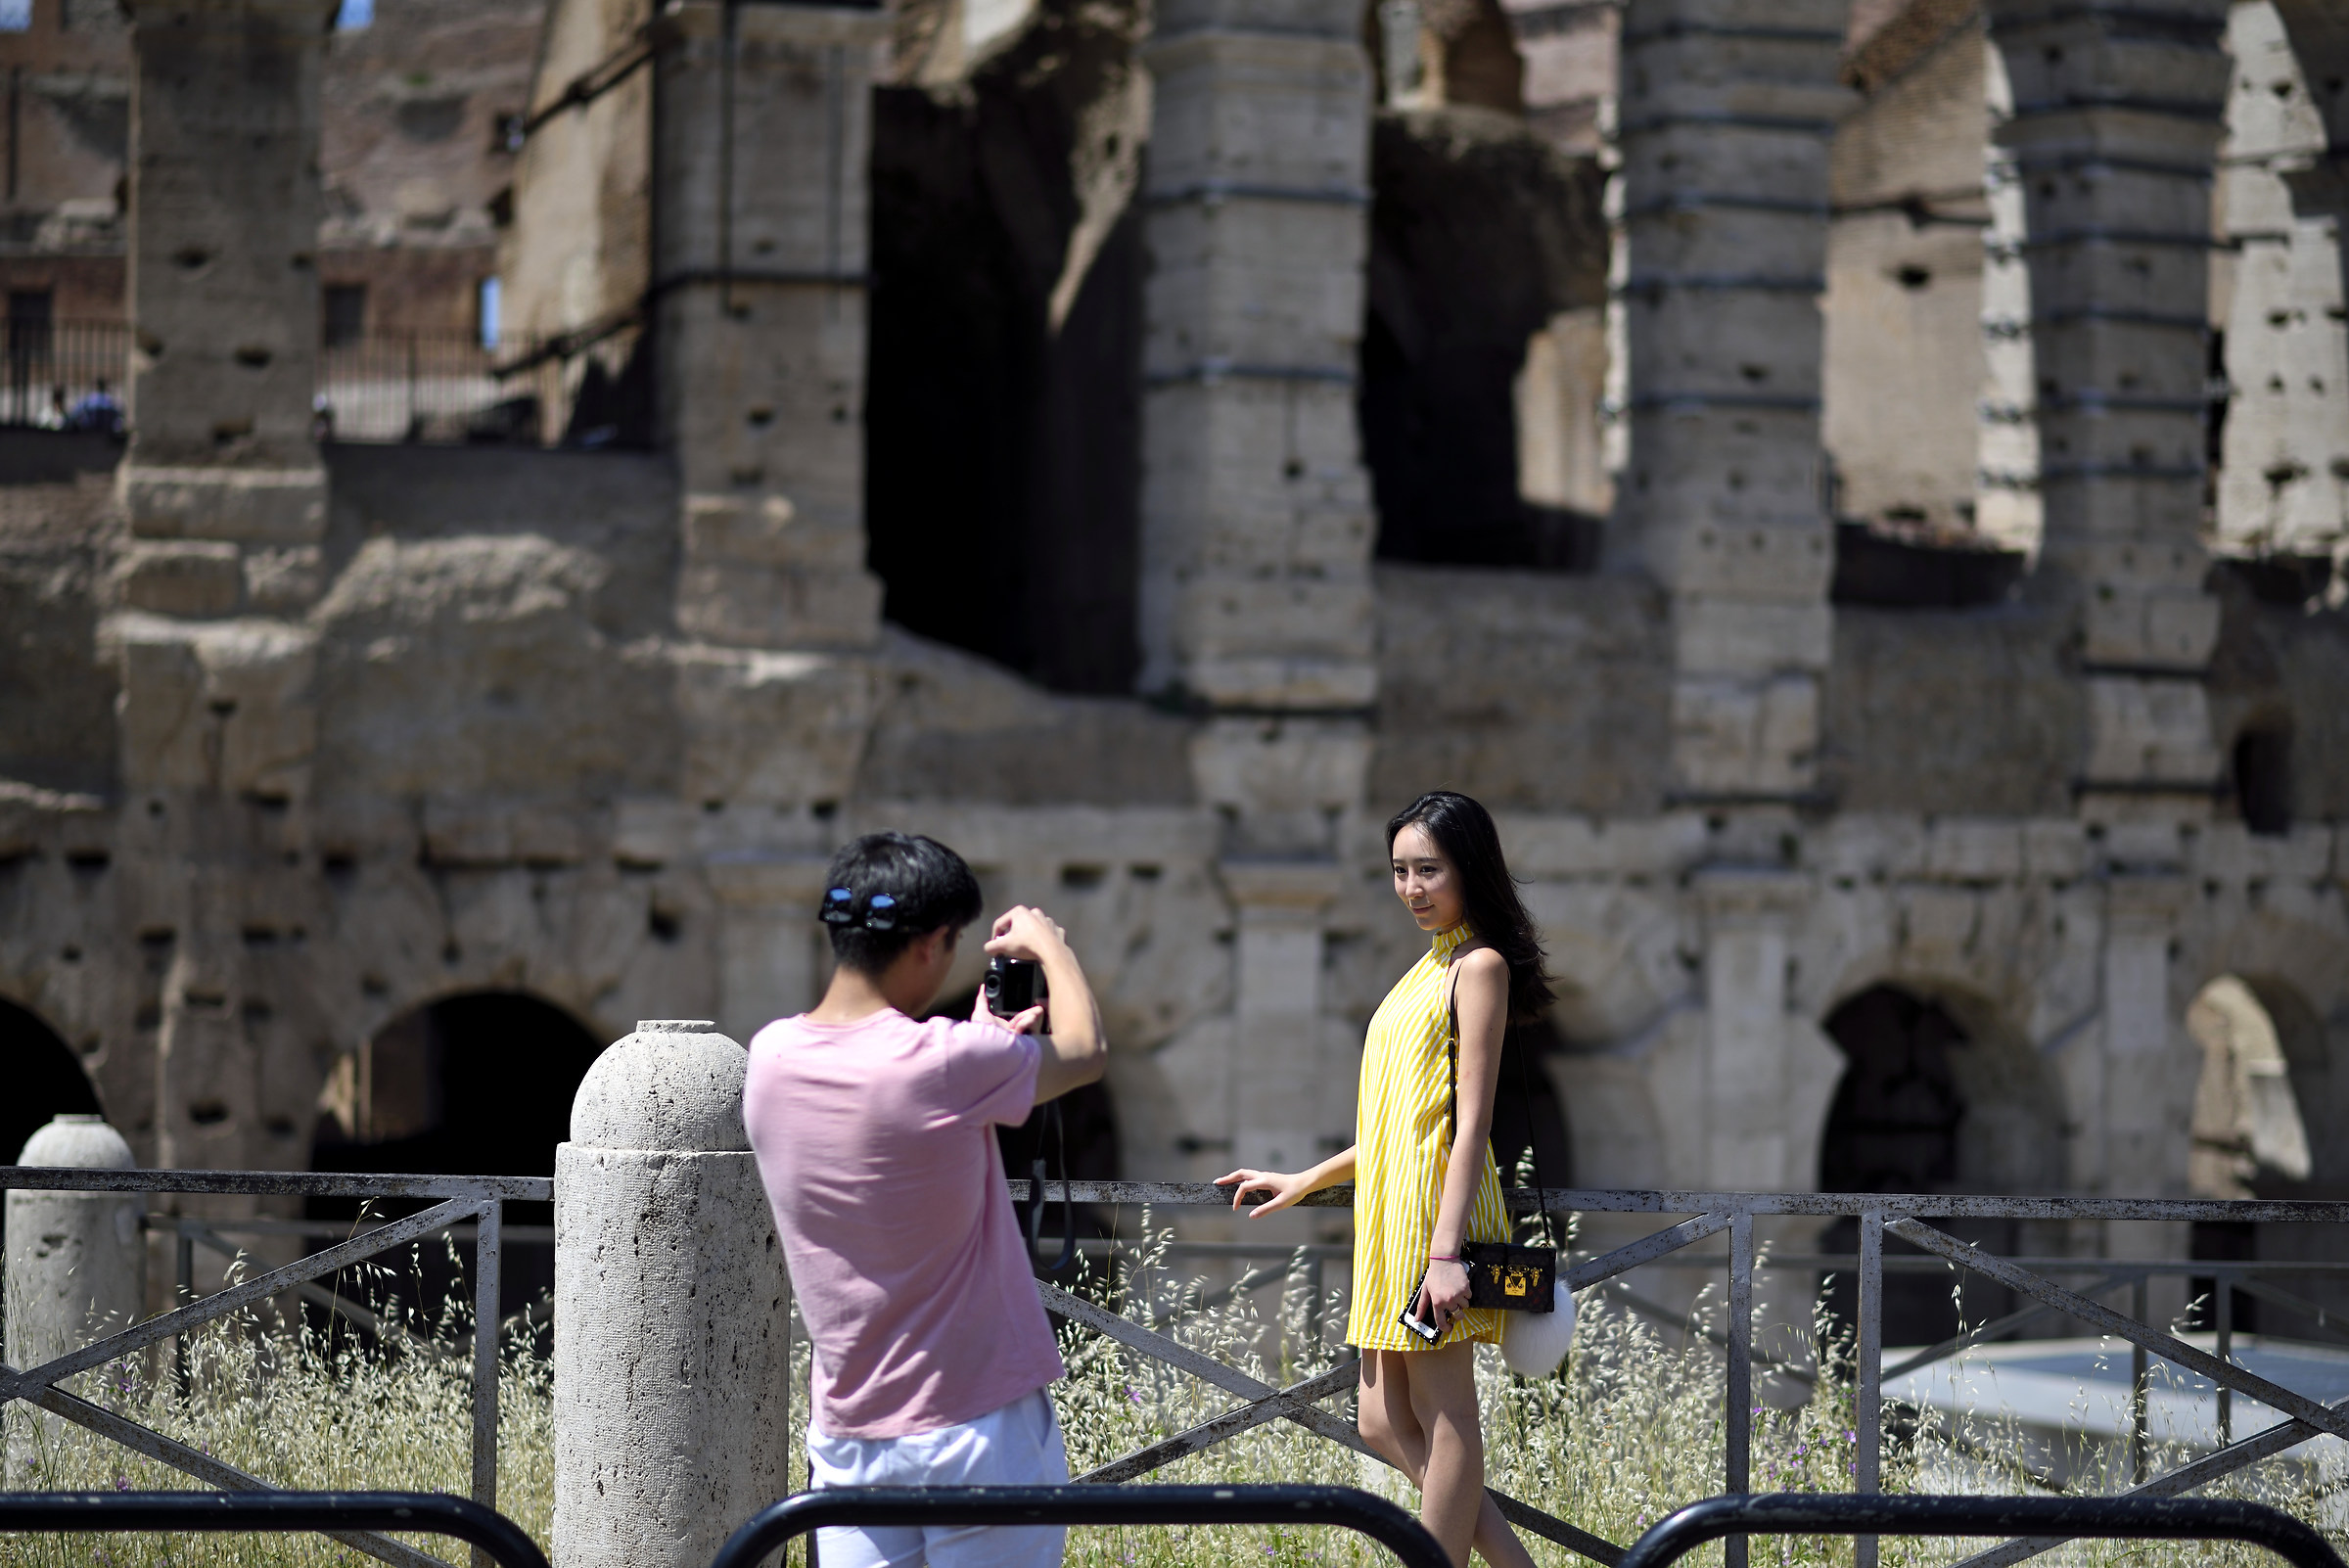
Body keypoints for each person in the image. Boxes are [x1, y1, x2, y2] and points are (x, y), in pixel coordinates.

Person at [743, 830, 1105, 1568]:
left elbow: (897, 1119)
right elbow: (1086, 1051)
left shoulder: (771, 1059)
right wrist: (1052, 948)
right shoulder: (945, 1064)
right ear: (931, 944)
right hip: (978, 1424)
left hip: (851, 1437)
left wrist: (981, 1046)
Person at [1217, 791, 1553, 1568]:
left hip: (1436, 1221)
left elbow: (1468, 1124)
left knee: (1445, 1417)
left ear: (1471, 869)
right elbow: (1393, 1126)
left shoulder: (1479, 966)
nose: (1412, 889)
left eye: (1429, 870)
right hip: (1389, 1219)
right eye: (1400, 871)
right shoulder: (1425, 968)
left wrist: (1444, 1254)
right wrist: (1303, 1179)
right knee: (1376, 1418)